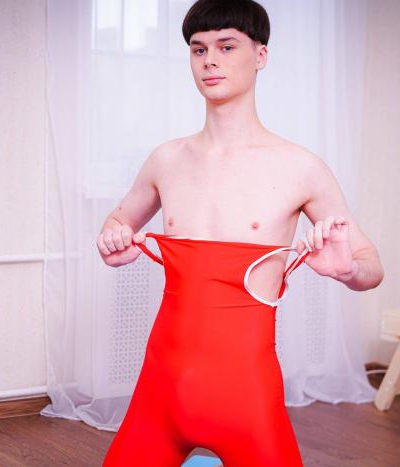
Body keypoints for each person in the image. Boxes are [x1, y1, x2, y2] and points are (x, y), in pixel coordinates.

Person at [97, 0, 384, 465]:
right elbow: (117, 223)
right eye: (199, 49)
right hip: (160, 394)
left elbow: (371, 267)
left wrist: (347, 269)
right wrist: (111, 240)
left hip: (246, 400)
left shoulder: (299, 167)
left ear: (260, 55)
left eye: (227, 46)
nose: (210, 60)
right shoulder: (166, 160)